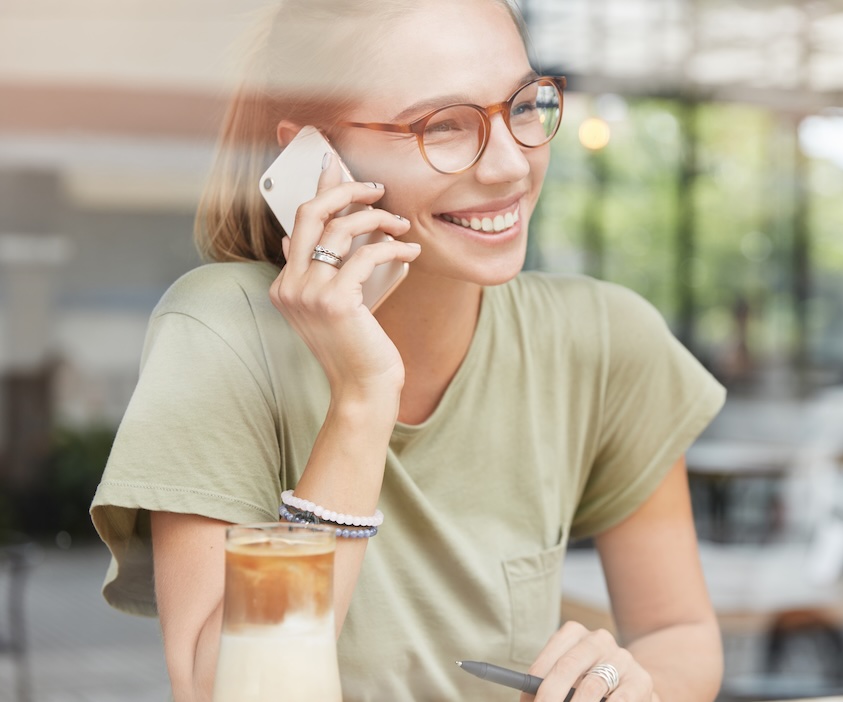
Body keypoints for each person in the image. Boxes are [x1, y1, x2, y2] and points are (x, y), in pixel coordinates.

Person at [90, 0, 726, 700]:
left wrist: (629, 686)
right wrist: (361, 399)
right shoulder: (221, 332)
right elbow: (223, 692)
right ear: (313, 153)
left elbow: (678, 634)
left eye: (522, 104)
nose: (512, 164)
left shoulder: (603, 341)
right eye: (443, 126)